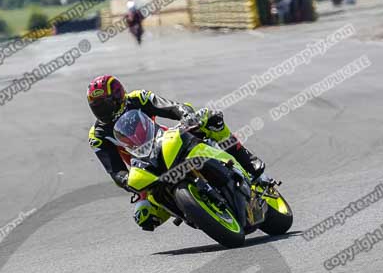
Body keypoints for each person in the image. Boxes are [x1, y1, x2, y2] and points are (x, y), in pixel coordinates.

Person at [87, 75, 266, 231]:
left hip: (166, 140)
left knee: (211, 119)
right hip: (144, 166)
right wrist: (125, 181)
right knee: (144, 217)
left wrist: (185, 115)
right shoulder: (97, 135)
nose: (102, 111)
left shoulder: (138, 98)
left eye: (105, 105)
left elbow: (171, 107)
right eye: (97, 107)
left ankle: (247, 160)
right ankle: (191, 211)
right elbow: (114, 169)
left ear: (118, 97)